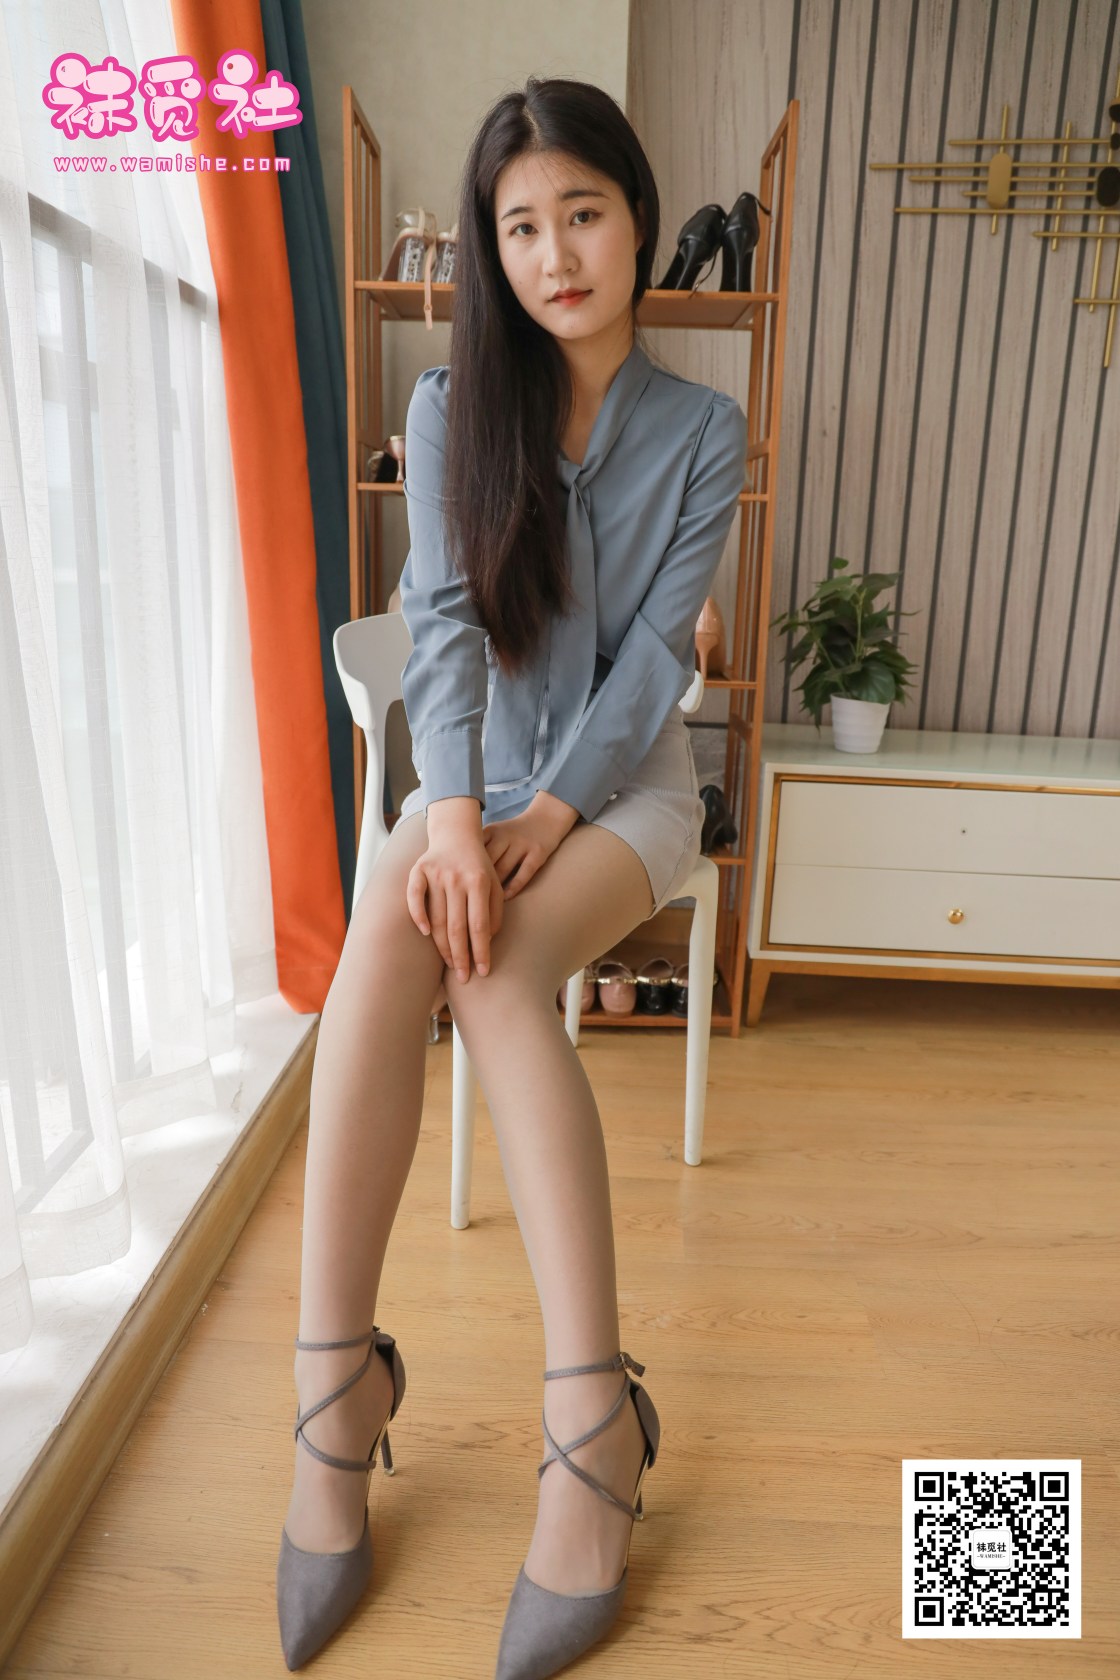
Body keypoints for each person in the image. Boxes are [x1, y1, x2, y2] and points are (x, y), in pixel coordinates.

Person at [275, 74, 747, 1678]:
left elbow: (654, 668)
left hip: (625, 796)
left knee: (493, 973)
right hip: (474, 790)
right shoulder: (446, 410)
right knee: (388, 939)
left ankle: (589, 1427)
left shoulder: (705, 431)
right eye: (522, 226)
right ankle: (333, 1398)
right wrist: (460, 816)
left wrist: (546, 807)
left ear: (638, 217)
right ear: (492, 247)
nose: (556, 255)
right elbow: (446, 633)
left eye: (584, 214)